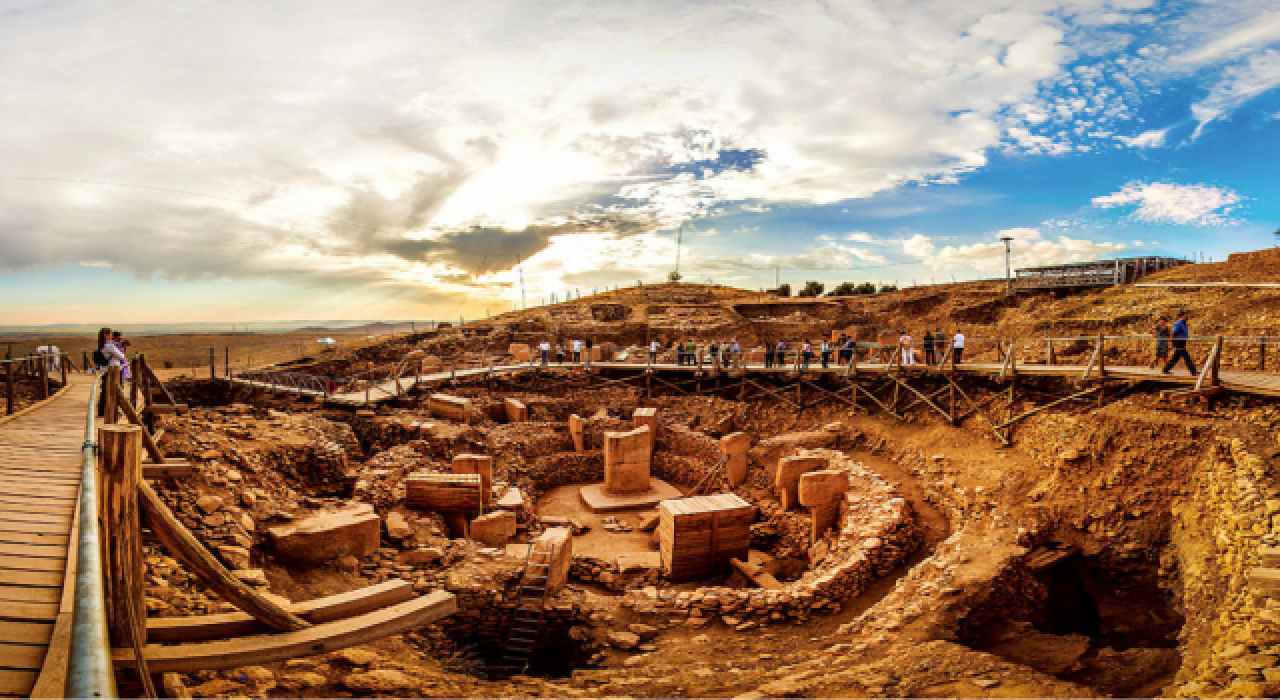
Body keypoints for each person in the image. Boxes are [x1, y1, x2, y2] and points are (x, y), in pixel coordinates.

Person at [1163, 311, 1197, 375]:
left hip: (1182, 342)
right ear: (1181, 316)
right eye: (1186, 315)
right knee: (1186, 357)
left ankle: (1165, 369)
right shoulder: (1178, 323)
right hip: (1179, 342)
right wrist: (1172, 343)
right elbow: (1173, 333)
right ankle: (1193, 371)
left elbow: (1183, 333)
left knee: (1175, 358)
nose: (1187, 316)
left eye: (1187, 315)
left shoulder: (1184, 323)